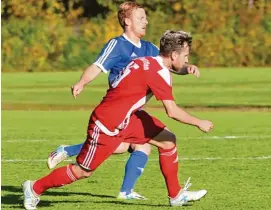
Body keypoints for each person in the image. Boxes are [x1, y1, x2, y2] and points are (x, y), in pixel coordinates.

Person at [23, 30, 213, 210]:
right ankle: (34, 188)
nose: (187, 60)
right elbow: (172, 111)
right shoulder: (158, 74)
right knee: (83, 171)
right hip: (107, 124)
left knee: (167, 140)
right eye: (186, 56)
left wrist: (184, 69)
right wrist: (199, 122)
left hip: (127, 118)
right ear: (173, 55)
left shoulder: (145, 61)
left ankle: (176, 195)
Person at [46, 1, 200, 200]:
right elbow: (98, 66)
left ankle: (128, 191)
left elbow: (169, 64)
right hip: (116, 110)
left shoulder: (149, 47)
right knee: (122, 147)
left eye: (145, 17)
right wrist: (82, 82)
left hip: (132, 112)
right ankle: (67, 153)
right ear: (127, 21)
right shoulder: (117, 45)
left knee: (148, 144)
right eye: (141, 18)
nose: (146, 21)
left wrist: (187, 68)